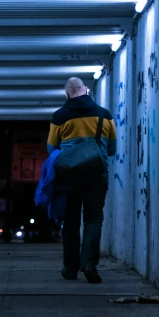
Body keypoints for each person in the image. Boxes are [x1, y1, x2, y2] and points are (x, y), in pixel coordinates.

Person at [47, 77, 117, 283]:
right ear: (86, 90)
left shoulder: (60, 116)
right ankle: (89, 264)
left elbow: (52, 149)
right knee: (93, 219)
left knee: (70, 222)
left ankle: (70, 268)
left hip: (69, 176)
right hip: (97, 174)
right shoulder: (105, 115)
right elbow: (112, 150)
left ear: (67, 94)